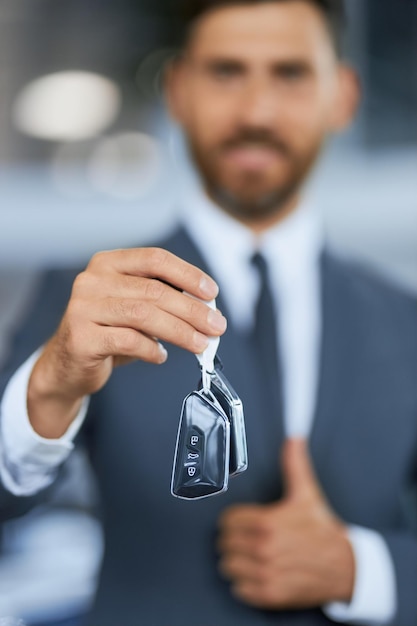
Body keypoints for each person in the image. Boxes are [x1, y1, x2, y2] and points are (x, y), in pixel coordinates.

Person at [0, 1, 416, 625]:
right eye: (226, 72)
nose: (256, 111)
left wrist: (363, 569)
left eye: (290, 74)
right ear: (179, 91)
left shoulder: (406, 322)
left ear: (344, 96)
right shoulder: (86, 303)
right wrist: (50, 386)